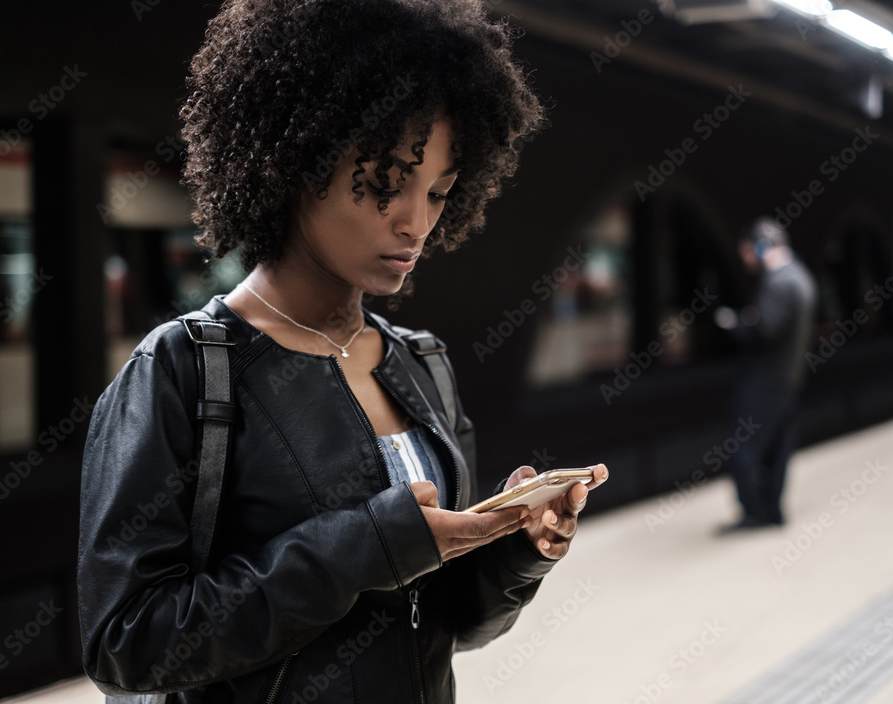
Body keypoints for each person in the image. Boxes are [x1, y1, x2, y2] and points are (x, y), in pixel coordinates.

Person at [76, 1, 609, 702]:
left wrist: (514, 549)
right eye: (387, 184)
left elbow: (449, 624)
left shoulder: (421, 365)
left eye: (440, 193)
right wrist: (365, 547)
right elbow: (125, 642)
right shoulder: (181, 372)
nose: (416, 222)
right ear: (299, 156)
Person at [713, 216, 817, 533]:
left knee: (743, 447)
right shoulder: (801, 277)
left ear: (761, 247)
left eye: (747, 253)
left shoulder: (779, 282)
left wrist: (735, 324)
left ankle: (753, 513)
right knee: (778, 451)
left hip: (764, 382)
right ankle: (772, 509)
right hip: (788, 381)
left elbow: (764, 330)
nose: (746, 260)